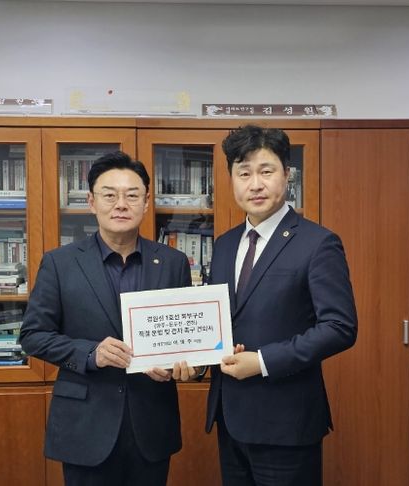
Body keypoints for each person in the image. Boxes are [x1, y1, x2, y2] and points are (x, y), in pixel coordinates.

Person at [20, 151, 198, 486]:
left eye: (132, 195)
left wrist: (185, 365)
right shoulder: (60, 263)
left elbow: (186, 336)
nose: (121, 205)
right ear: (91, 202)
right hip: (85, 425)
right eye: (109, 195)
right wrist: (91, 353)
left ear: (146, 202)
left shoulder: (173, 262)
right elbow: (33, 335)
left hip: (151, 423)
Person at [205, 125, 358, 486]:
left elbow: (339, 327)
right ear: (231, 179)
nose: (255, 184)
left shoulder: (317, 243)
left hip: (287, 423)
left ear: (287, 175)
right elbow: (217, 322)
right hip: (230, 418)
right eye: (244, 173)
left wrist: (262, 361)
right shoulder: (224, 245)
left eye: (266, 171)